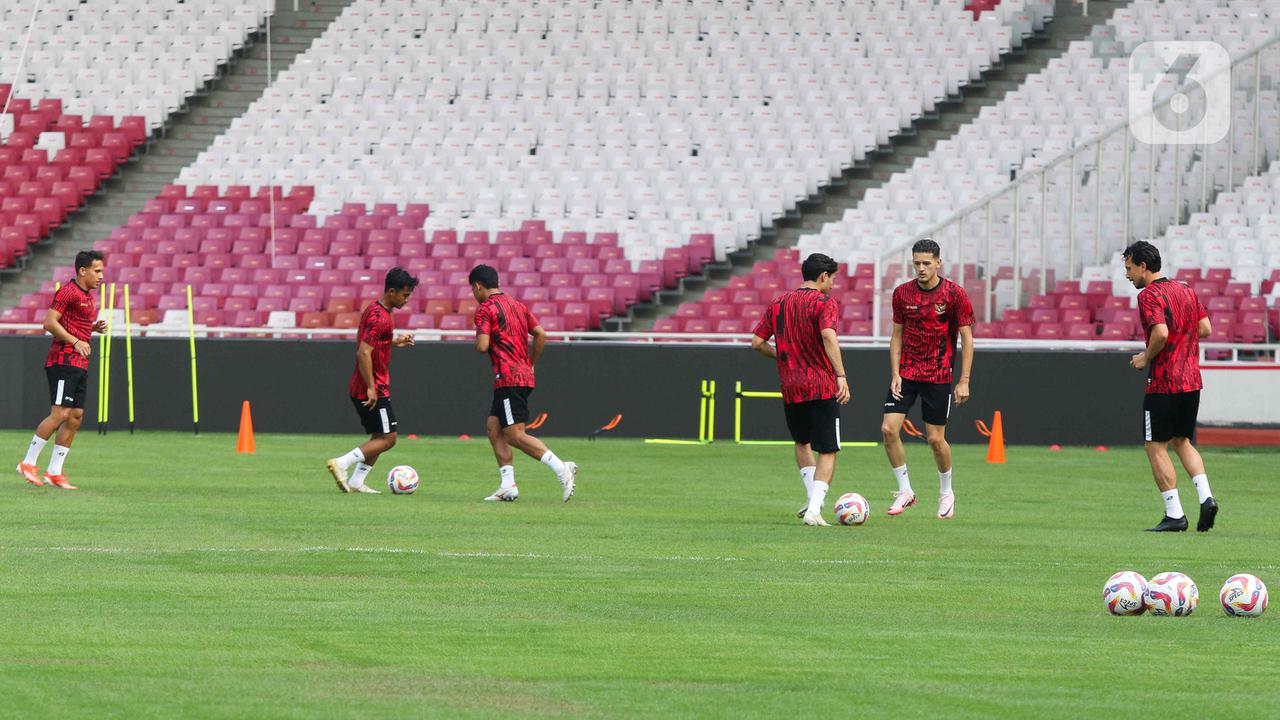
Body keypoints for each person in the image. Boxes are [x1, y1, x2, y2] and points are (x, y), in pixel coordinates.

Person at [1123, 241, 1218, 532]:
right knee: (1182, 441)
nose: (1127, 275)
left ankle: (1175, 514)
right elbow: (1205, 328)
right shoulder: (1186, 289)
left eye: (1129, 268)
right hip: (1192, 380)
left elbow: (1161, 333)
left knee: (1155, 446)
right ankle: (1206, 497)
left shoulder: (1149, 295)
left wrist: (1145, 357)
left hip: (1164, 382)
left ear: (1143, 266)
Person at [750, 252, 851, 527]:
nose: (833, 285)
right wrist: (841, 375)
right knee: (828, 449)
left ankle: (811, 500)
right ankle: (814, 510)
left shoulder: (779, 302)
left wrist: (783, 355)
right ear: (823, 276)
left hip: (791, 386)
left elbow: (757, 342)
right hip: (821, 385)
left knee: (802, 442)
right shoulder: (824, 302)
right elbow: (828, 335)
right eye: (832, 279)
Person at [881, 238, 974, 519]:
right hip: (907, 373)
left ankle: (946, 492)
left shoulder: (954, 294)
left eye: (926, 263)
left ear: (938, 263)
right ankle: (905, 490)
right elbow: (896, 335)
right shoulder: (902, 294)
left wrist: (964, 380)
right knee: (888, 430)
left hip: (938, 374)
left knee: (935, 439)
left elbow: (967, 339)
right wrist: (895, 373)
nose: (921, 268)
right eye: (916, 263)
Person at [469, 264, 577, 503]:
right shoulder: (517, 305)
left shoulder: (485, 309)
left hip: (508, 378)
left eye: (473, 290)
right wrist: (531, 363)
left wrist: (478, 340)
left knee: (515, 434)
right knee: (494, 427)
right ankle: (508, 485)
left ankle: (562, 468)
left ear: (477, 286)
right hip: (522, 376)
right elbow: (541, 334)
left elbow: (482, 346)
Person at [16, 250, 108, 490]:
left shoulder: (87, 296)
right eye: (97, 271)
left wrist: (91, 328)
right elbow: (49, 322)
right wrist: (76, 341)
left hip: (79, 363)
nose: (101, 276)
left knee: (75, 416)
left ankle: (54, 472)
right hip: (64, 361)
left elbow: (72, 323)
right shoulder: (68, 292)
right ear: (83, 271)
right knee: (59, 414)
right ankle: (27, 463)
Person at [326, 267, 419, 493]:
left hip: (367, 384)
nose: (406, 300)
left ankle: (357, 482)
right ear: (392, 291)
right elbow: (363, 352)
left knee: (378, 435)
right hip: (373, 385)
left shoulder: (376, 310)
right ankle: (341, 463)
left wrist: (395, 342)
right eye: (405, 295)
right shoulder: (380, 317)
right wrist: (371, 387)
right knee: (389, 438)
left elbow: (374, 343)